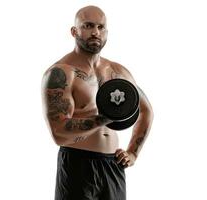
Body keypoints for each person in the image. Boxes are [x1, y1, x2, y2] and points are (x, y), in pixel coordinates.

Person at [41, 5, 154, 200]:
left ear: (107, 32)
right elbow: (59, 133)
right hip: (78, 164)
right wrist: (105, 117)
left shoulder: (118, 72)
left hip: (113, 165)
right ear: (74, 31)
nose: (95, 32)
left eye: (101, 27)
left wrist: (133, 153)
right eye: (88, 25)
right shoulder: (61, 73)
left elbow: (146, 110)